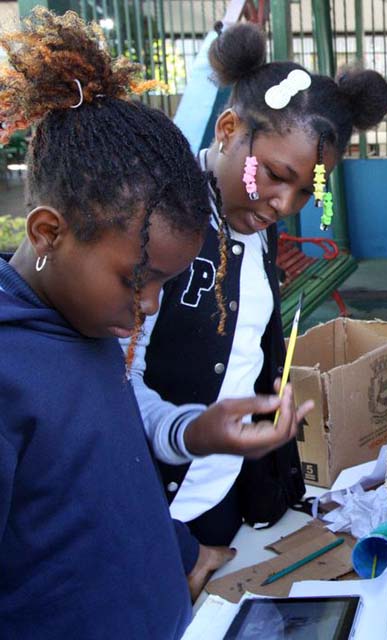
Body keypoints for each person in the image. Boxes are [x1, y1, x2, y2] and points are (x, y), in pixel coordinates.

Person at [0, 8, 308, 635]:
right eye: (136, 280)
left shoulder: (88, 330)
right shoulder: (13, 369)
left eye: (165, 285)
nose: (148, 306)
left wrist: (186, 548)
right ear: (48, 233)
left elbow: (111, 485)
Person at [124, 21, 387, 546]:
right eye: (272, 175)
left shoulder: (252, 222)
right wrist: (190, 432)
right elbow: (116, 381)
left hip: (224, 500)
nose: (282, 205)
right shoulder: (156, 224)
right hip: (158, 514)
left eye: (303, 191)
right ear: (227, 129)